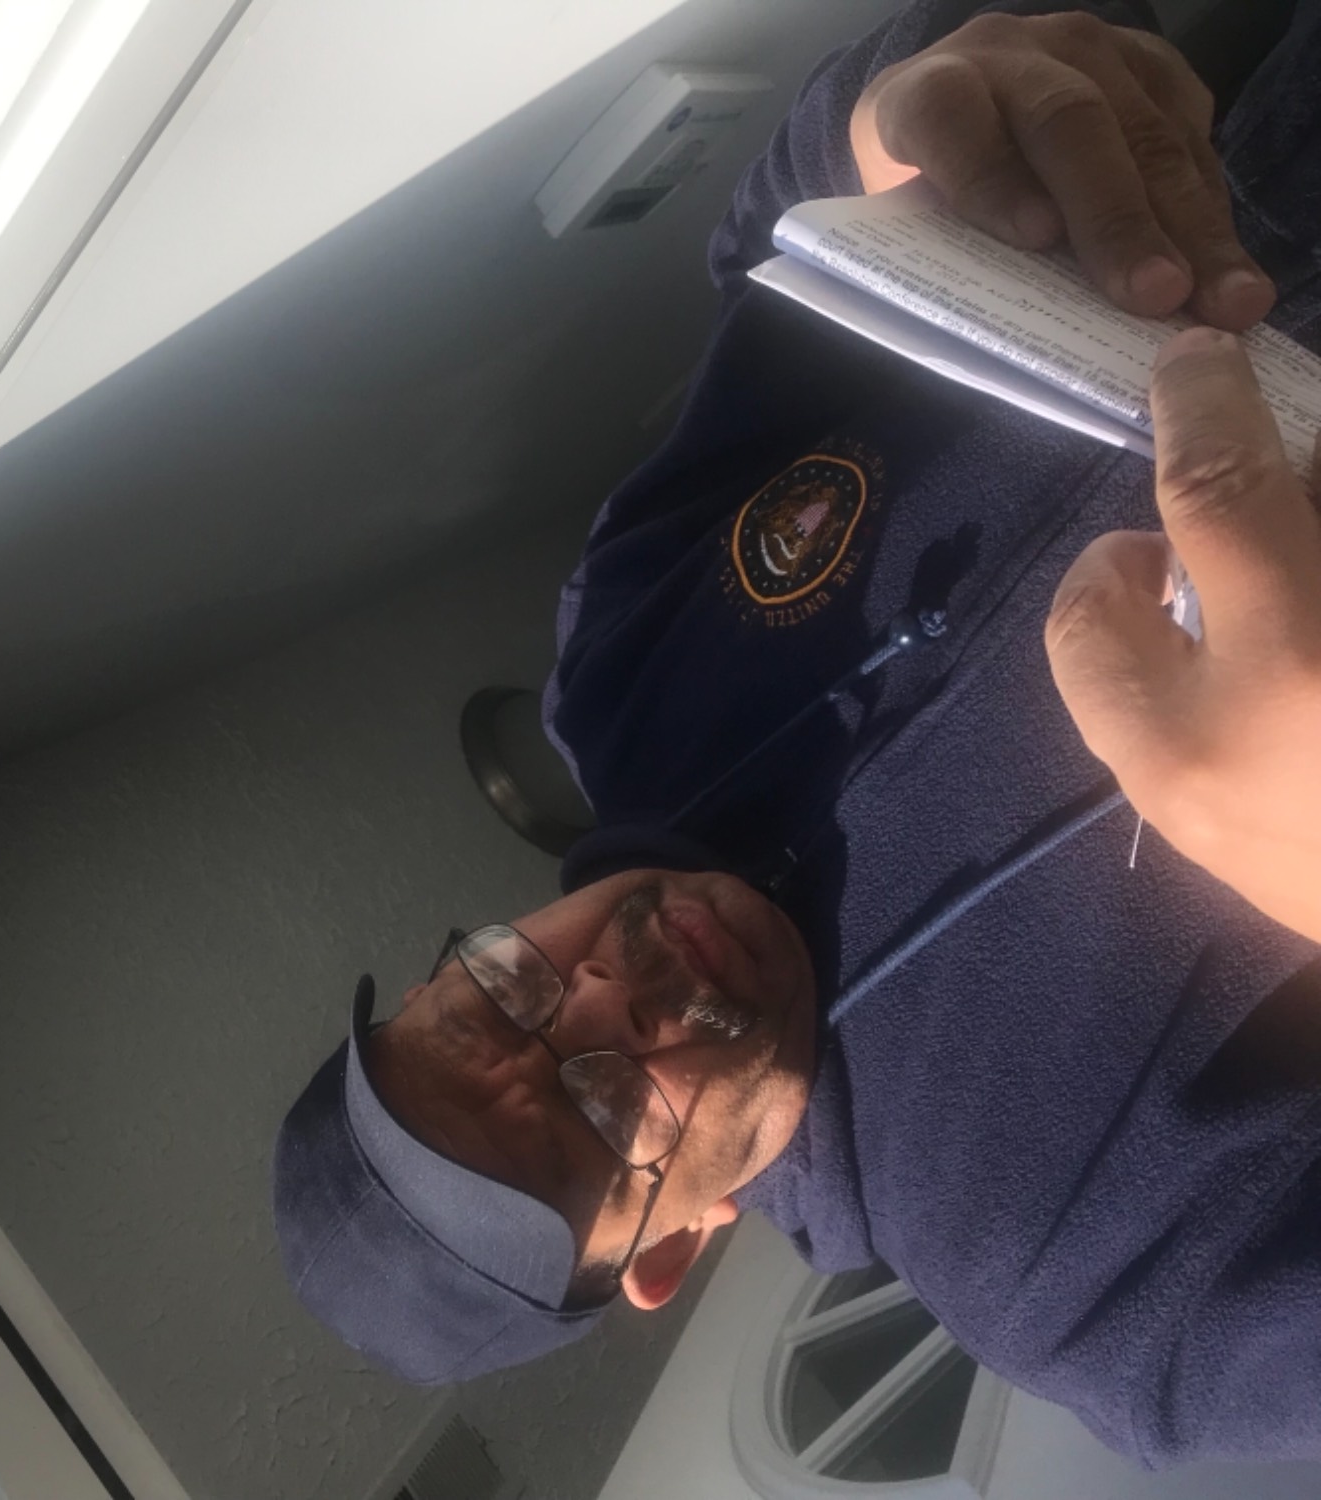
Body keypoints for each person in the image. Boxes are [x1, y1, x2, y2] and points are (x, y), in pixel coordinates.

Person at [273, 0, 1321, 1469]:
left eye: (498, 999)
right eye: (594, 1112)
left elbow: (780, 253)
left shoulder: (618, 664)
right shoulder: (1108, 1294)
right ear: (665, 1254)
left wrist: (894, 118)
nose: (600, 994)